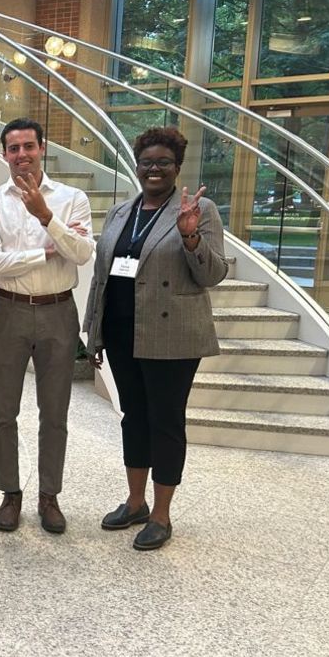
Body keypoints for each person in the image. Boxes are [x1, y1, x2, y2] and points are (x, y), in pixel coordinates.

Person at [84, 126, 227, 551]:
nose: (154, 169)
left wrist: (189, 235)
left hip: (172, 336)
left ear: (177, 167)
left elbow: (213, 274)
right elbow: (101, 277)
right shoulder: (120, 212)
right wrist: (94, 332)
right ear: (137, 165)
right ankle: (135, 502)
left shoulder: (200, 210)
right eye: (147, 162)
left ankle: (162, 515)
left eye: (163, 162)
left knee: (165, 421)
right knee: (133, 417)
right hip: (123, 332)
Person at [0, 118, 94, 535]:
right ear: (4, 153)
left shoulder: (72, 198)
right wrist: (46, 251)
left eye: (28, 145)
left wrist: (47, 217)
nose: (21, 154)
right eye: (13, 148)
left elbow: (80, 253)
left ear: (42, 147)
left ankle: (49, 495)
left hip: (59, 311)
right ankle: (10, 493)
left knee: (55, 411)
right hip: (9, 312)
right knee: (3, 409)